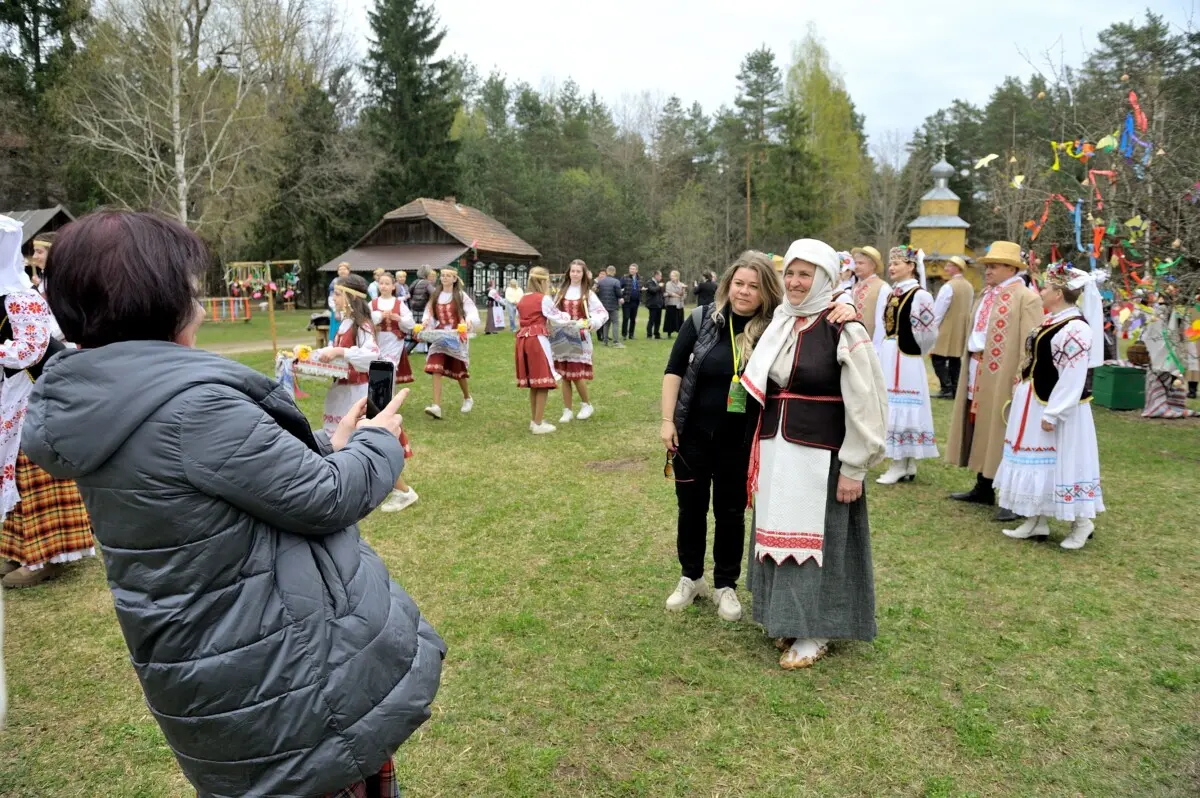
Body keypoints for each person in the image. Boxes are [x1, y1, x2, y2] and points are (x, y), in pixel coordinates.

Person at [24, 209, 444, 797]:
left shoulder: (104, 402)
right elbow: (325, 498)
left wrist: (330, 444)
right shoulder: (193, 408)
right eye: (189, 291)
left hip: (211, 666)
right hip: (279, 675)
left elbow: (223, 485)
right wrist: (379, 442)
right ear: (158, 301)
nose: (198, 306)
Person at [660, 252, 857, 624]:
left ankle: (725, 584)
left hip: (744, 439)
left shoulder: (778, 328)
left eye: (753, 286)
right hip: (693, 435)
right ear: (728, 285)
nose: (744, 292)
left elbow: (819, 304)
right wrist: (667, 421)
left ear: (767, 291)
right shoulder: (704, 320)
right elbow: (673, 371)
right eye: (738, 284)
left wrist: (846, 304)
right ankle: (691, 577)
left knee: (731, 513)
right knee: (690, 509)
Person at [741, 238, 887, 670]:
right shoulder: (782, 322)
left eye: (806, 274)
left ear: (825, 278)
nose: (795, 281)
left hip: (822, 456)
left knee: (818, 538)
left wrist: (854, 468)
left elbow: (867, 402)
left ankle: (817, 629)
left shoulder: (844, 328)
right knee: (778, 532)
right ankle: (787, 618)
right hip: (777, 448)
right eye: (791, 273)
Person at [0, 216, 93, 589]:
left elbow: (30, 350)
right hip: (8, 398)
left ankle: (47, 553)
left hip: (31, 396)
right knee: (11, 471)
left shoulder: (22, 297)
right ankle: (17, 547)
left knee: (32, 468)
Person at [994, 263, 1105, 550]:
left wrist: (1055, 412)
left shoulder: (1076, 328)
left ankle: (1082, 522)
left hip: (1057, 406)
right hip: (1034, 400)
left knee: (1064, 459)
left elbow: (1073, 374)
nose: (1040, 291)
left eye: (1044, 287)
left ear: (1058, 292)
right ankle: (1036, 519)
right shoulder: (1052, 320)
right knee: (1039, 460)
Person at [946, 241, 1043, 522]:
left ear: (1012, 268)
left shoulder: (1026, 297)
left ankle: (1011, 496)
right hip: (978, 366)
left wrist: (1021, 376)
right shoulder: (986, 294)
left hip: (1004, 372)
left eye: (995, 265)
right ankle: (984, 485)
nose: (988, 270)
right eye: (987, 265)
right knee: (980, 424)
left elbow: (1030, 342)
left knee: (1003, 429)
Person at [875, 246, 940, 485]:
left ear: (911, 266)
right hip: (892, 353)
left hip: (905, 357)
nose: (892, 268)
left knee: (902, 405)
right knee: (893, 404)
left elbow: (928, 332)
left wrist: (914, 353)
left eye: (897, 263)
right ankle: (906, 462)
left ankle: (899, 462)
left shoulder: (920, 295)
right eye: (891, 264)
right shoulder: (895, 293)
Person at [367, 273, 421, 512]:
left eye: (388, 283)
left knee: (388, 372)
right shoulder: (373, 304)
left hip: (394, 342)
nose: (385, 286)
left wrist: (397, 317)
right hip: (378, 341)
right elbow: (368, 320)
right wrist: (379, 316)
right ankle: (382, 405)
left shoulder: (400, 304)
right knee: (378, 370)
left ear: (394, 286)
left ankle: (386, 407)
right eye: (382, 283)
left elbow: (409, 324)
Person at [515, 267, 573, 434]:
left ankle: (535, 420)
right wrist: (570, 318)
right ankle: (539, 423)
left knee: (534, 382)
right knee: (543, 380)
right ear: (542, 281)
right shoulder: (543, 299)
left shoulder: (523, 298)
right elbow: (557, 316)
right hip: (537, 340)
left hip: (522, 339)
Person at [553, 259, 609, 423]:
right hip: (562, 335)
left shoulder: (588, 294)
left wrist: (592, 322)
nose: (575, 274)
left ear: (583, 274)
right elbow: (553, 310)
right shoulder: (561, 292)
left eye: (578, 271)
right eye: (572, 271)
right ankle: (567, 410)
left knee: (576, 374)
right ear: (568, 273)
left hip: (580, 337)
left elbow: (602, 313)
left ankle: (586, 404)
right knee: (565, 375)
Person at [422, 268, 480, 419]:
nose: (445, 278)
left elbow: (472, 311)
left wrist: (468, 320)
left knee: (459, 370)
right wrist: (426, 321)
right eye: (443, 276)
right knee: (435, 367)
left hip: (455, 336)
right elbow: (429, 312)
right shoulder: (435, 295)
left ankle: (467, 397)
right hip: (440, 335)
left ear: (455, 279)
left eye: (449, 276)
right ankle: (436, 406)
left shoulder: (460, 295)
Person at [930, 255, 974, 399]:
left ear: (956, 268)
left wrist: (933, 327)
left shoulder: (948, 286)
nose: (946, 267)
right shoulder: (969, 286)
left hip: (946, 327)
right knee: (955, 359)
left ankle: (946, 387)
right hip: (961, 327)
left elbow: (939, 309)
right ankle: (955, 388)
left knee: (938, 357)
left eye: (949, 265)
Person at [849, 246, 890, 349]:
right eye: (856, 263)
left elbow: (882, 321)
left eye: (861, 263)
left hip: (872, 346)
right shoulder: (855, 287)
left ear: (872, 266)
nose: (856, 267)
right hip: (853, 345)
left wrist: (876, 348)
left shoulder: (883, 287)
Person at [595, 266, 623, 347]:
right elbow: (619, 294)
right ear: (614, 272)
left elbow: (597, 292)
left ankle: (605, 341)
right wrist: (621, 294)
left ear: (607, 272)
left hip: (603, 305)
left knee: (606, 323)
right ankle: (615, 342)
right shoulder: (616, 281)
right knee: (615, 323)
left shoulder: (601, 282)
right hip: (613, 306)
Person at [327, 261, 350, 344]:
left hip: (349, 310)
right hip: (338, 310)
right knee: (336, 329)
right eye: (340, 269)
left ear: (349, 270)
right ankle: (333, 344)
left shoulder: (351, 281)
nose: (342, 271)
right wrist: (336, 310)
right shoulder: (335, 282)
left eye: (344, 269)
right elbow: (331, 297)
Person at [620, 264, 642, 341]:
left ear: (636, 270)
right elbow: (620, 288)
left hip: (635, 302)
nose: (631, 270)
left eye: (633, 269)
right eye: (630, 269)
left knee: (633, 319)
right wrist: (621, 297)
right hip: (626, 301)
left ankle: (631, 334)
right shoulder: (624, 277)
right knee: (626, 318)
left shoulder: (639, 278)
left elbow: (640, 289)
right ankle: (624, 334)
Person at [664, 270, 686, 337]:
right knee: (670, 319)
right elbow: (668, 291)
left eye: (673, 276)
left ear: (677, 277)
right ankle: (669, 333)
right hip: (671, 304)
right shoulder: (668, 283)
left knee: (679, 319)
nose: (671, 277)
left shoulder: (681, 284)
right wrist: (675, 295)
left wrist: (682, 293)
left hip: (679, 304)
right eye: (671, 276)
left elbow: (683, 294)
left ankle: (680, 332)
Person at [644, 270, 665, 339]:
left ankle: (657, 334)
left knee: (658, 321)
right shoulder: (650, 282)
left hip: (659, 304)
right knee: (651, 320)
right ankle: (649, 334)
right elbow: (653, 290)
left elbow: (661, 293)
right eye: (660, 276)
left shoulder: (659, 283)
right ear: (656, 276)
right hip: (652, 305)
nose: (661, 277)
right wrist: (659, 286)